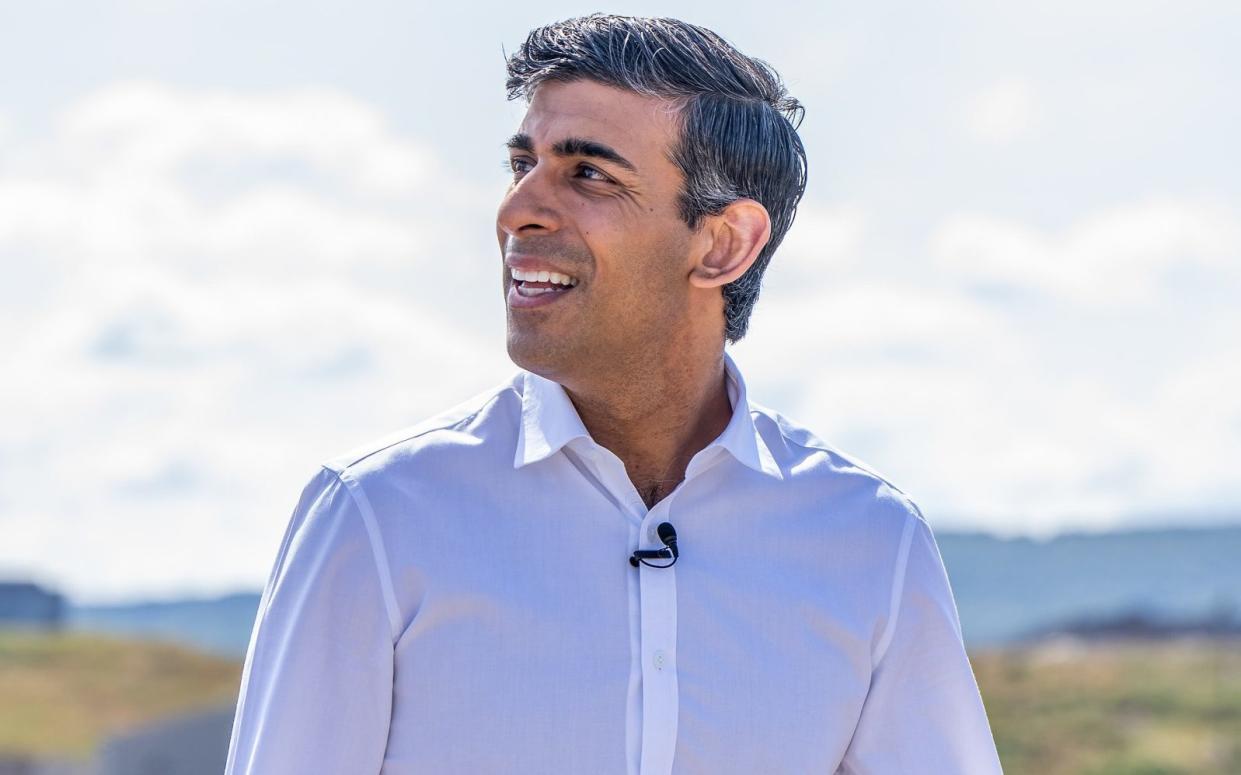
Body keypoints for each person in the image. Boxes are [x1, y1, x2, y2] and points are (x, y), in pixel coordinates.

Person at [224, 14, 1003, 775]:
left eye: (588, 173)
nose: (515, 210)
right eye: (520, 164)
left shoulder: (870, 540)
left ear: (723, 242)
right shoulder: (374, 516)